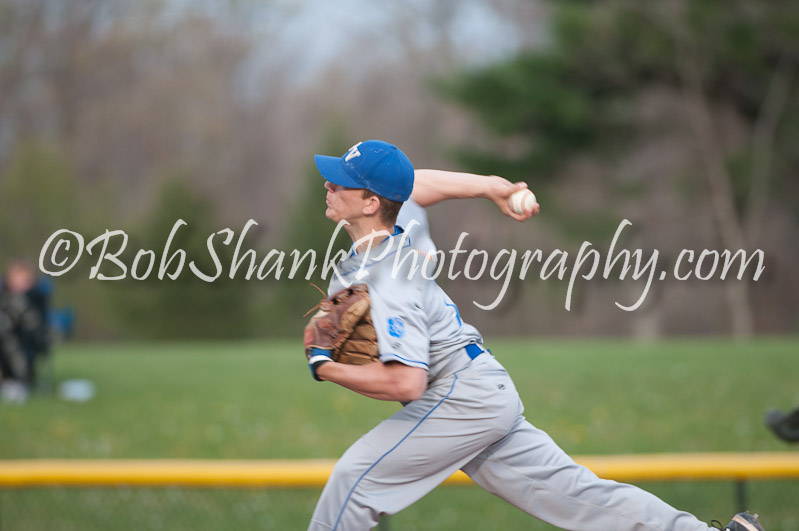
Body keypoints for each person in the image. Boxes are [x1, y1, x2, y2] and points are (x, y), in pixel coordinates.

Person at [304, 140, 764, 531]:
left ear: (370, 203)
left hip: (458, 396)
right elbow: (415, 186)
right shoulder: (401, 224)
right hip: (482, 389)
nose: (328, 186)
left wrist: (325, 366)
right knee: (575, 495)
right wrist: (490, 186)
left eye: (340, 182)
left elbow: (407, 383)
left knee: (354, 482)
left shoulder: (391, 275)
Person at [0, 260, 52, 402]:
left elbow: (36, 325)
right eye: (16, 277)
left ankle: (17, 378)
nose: (19, 283)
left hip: (27, 340)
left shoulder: (36, 298)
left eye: (23, 279)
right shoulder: (3, 296)